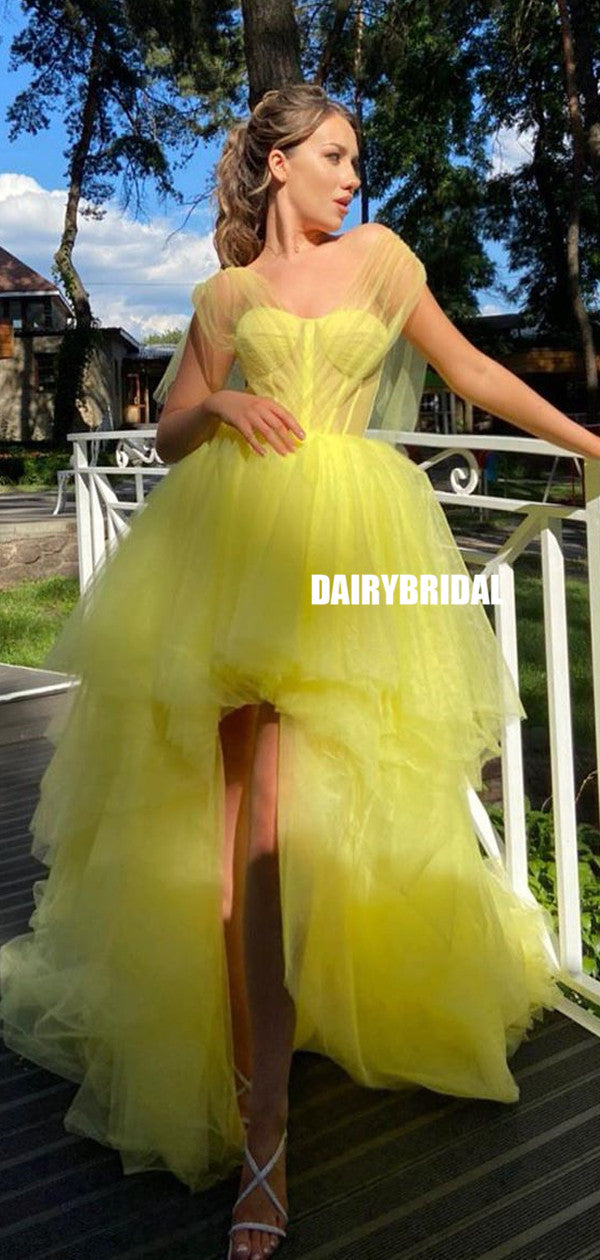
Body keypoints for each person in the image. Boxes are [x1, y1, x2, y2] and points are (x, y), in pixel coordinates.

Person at [1, 83, 598, 1260]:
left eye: (355, 158)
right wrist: (221, 398)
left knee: (340, 801)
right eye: (333, 154)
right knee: (253, 831)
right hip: (236, 556)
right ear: (277, 162)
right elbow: (171, 429)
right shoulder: (225, 294)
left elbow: (474, 374)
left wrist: (589, 443)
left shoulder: (380, 257)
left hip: (358, 556)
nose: (351, 176)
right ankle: (262, 1136)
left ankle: (289, 1054)